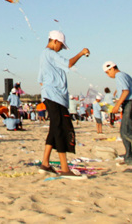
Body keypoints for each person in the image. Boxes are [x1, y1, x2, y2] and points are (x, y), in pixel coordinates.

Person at [37, 30, 90, 177]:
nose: (61, 48)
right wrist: (81, 53)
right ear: (55, 41)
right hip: (55, 97)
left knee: (54, 129)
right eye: (61, 45)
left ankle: (45, 163)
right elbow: (69, 63)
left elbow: (40, 79)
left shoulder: (44, 57)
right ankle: (65, 169)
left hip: (53, 96)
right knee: (61, 129)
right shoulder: (49, 53)